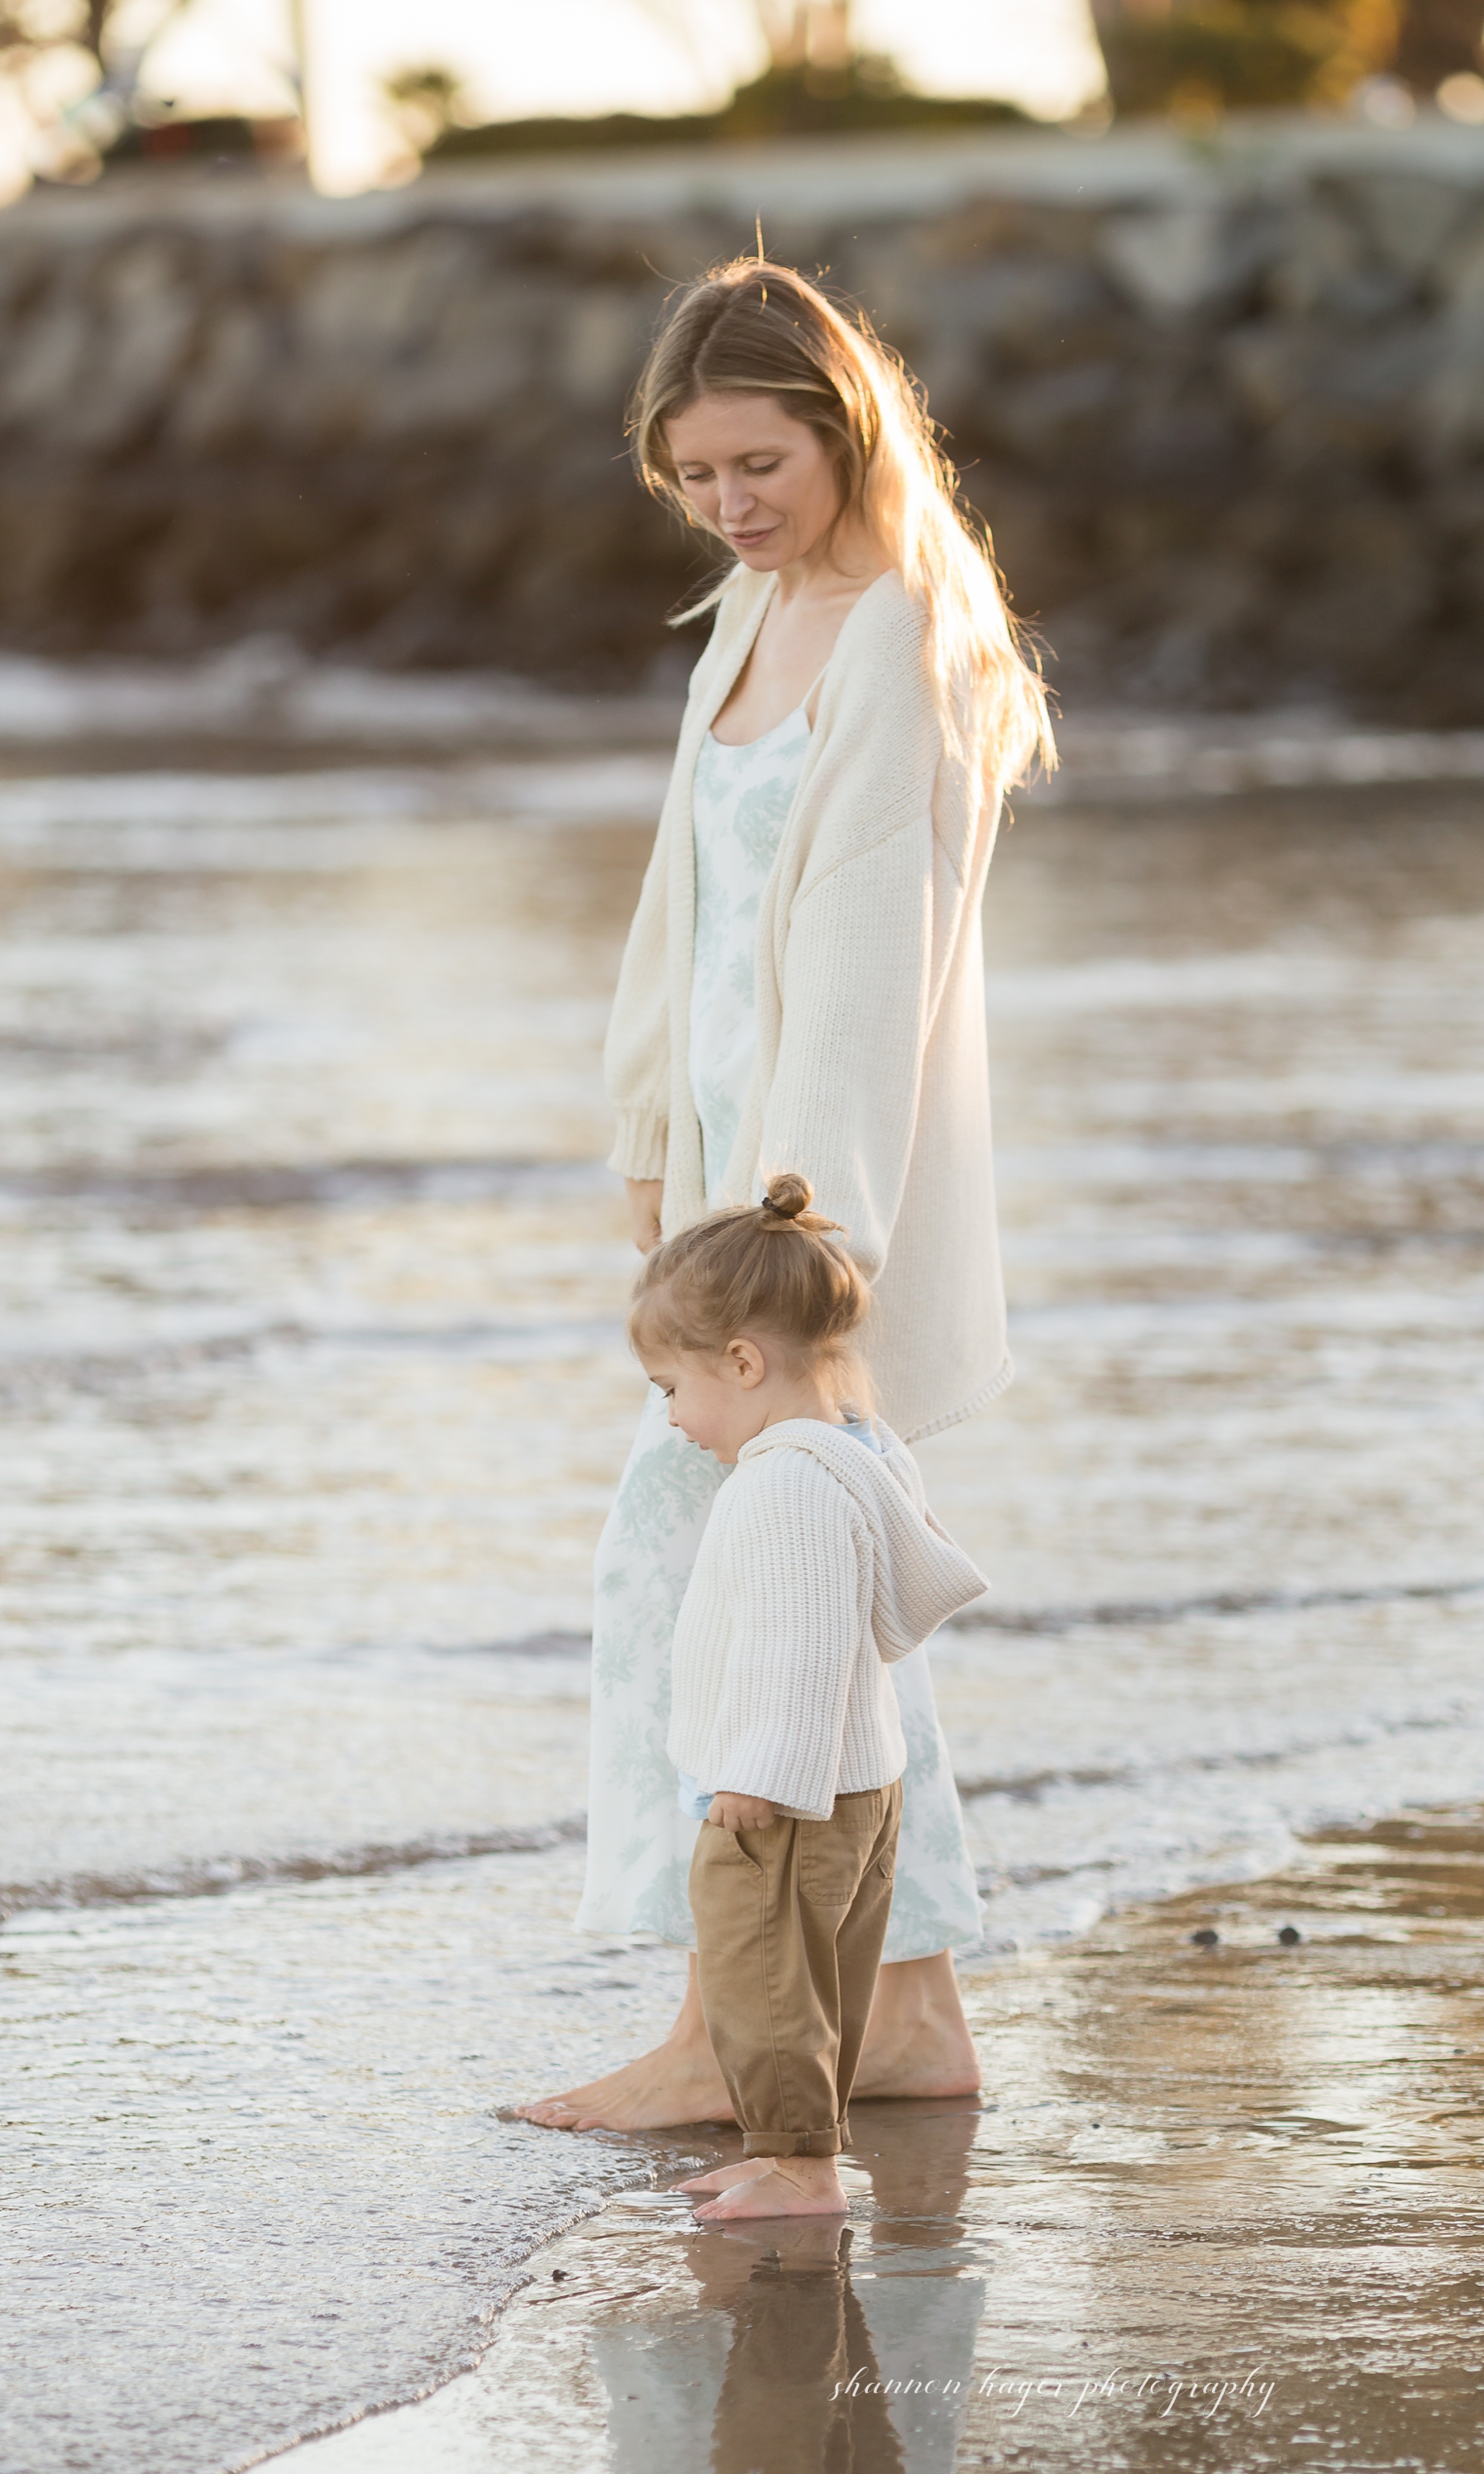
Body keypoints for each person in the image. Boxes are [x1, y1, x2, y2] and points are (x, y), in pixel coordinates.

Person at [518, 258, 1052, 2135]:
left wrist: (796, 1262)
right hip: (723, 1208)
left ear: (843, 427)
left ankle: (722, 2029)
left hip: (807, 1230)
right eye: (694, 474)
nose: (730, 502)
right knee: (811, 1621)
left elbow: (854, 964)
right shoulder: (745, 616)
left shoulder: (899, 640)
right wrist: (653, 1162)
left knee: (701, 1596)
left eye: (759, 460)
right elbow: (683, 920)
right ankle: (895, 2004)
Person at [624, 1175, 987, 2220]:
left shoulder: (779, 1483)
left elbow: (798, 1645)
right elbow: (881, 1620)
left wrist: (754, 1777)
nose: (675, 1417)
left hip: (787, 1798)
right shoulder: (860, 1451)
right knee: (819, 1984)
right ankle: (791, 2150)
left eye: (668, 1387)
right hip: (860, 1786)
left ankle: (801, 2170)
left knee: (764, 1986)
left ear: (741, 1363)